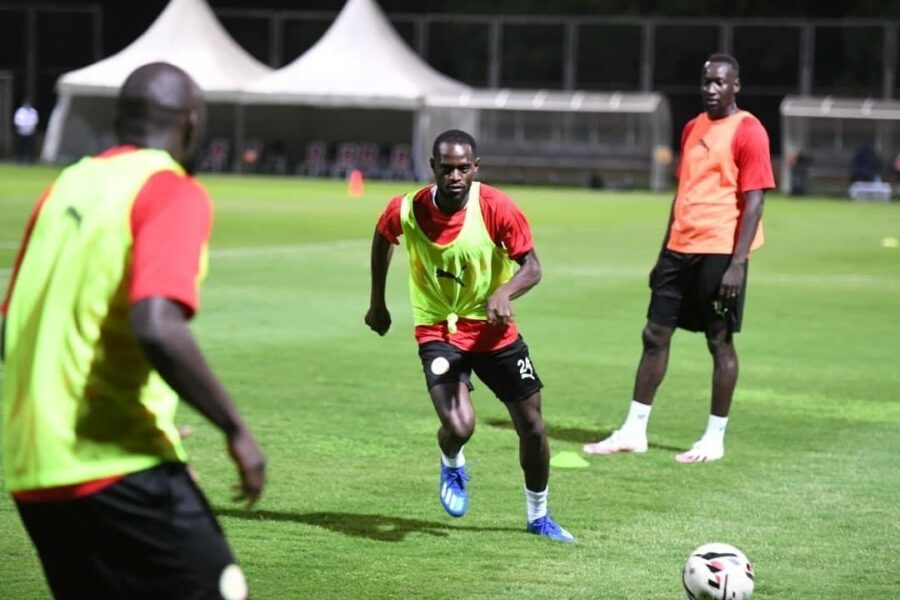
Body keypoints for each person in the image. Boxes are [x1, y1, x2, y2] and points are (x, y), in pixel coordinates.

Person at [1, 62, 265, 599]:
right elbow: (157, 325)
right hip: (111, 460)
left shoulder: (66, 186)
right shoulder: (170, 189)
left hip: (35, 473)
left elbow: (12, 329)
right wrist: (234, 428)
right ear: (191, 123)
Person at [365, 129, 574, 543]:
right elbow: (383, 236)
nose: (455, 176)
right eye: (447, 168)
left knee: (532, 427)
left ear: (475, 168)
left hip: (494, 332)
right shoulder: (407, 209)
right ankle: (452, 461)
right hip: (438, 329)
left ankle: (539, 517)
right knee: (459, 426)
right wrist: (377, 302)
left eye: (463, 168)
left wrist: (504, 291)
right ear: (433, 167)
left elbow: (532, 267)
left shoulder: (496, 207)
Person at [583, 53, 775, 463]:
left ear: (736, 86)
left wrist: (738, 264)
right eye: (706, 81)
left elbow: (755, 200)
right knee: (654, 334)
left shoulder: (749, 130)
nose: (711, 89)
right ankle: (634, 431)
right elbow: (683, 193)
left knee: (719, 341)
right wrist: (662, 254)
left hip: (720, 250)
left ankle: (714, 438)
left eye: (720, 82)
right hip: (678, 249)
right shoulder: (692, 127)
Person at [13, 99, 39, 164]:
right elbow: (17, 120)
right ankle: (20, 158)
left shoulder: (33, 111)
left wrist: (32, 128)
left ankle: (30, 159)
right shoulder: (20, 111)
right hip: (22, 132)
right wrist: (20, 127)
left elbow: (35, 120)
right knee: (21, 146)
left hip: (30, 131)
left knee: (30, 146)